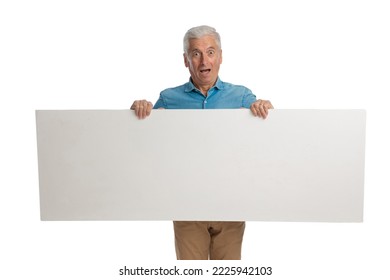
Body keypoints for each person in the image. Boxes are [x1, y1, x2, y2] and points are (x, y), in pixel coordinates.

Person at [130, 25, 273, 260]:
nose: (203, 60)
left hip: (231, 205)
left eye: (210, 51)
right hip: (187, 207)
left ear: (220, 56)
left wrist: (266, 109)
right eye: (195, 53)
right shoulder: (168, 98)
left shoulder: (242, 96)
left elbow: (269, 138)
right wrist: (136, 114)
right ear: (186, 60)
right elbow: (145, 143)